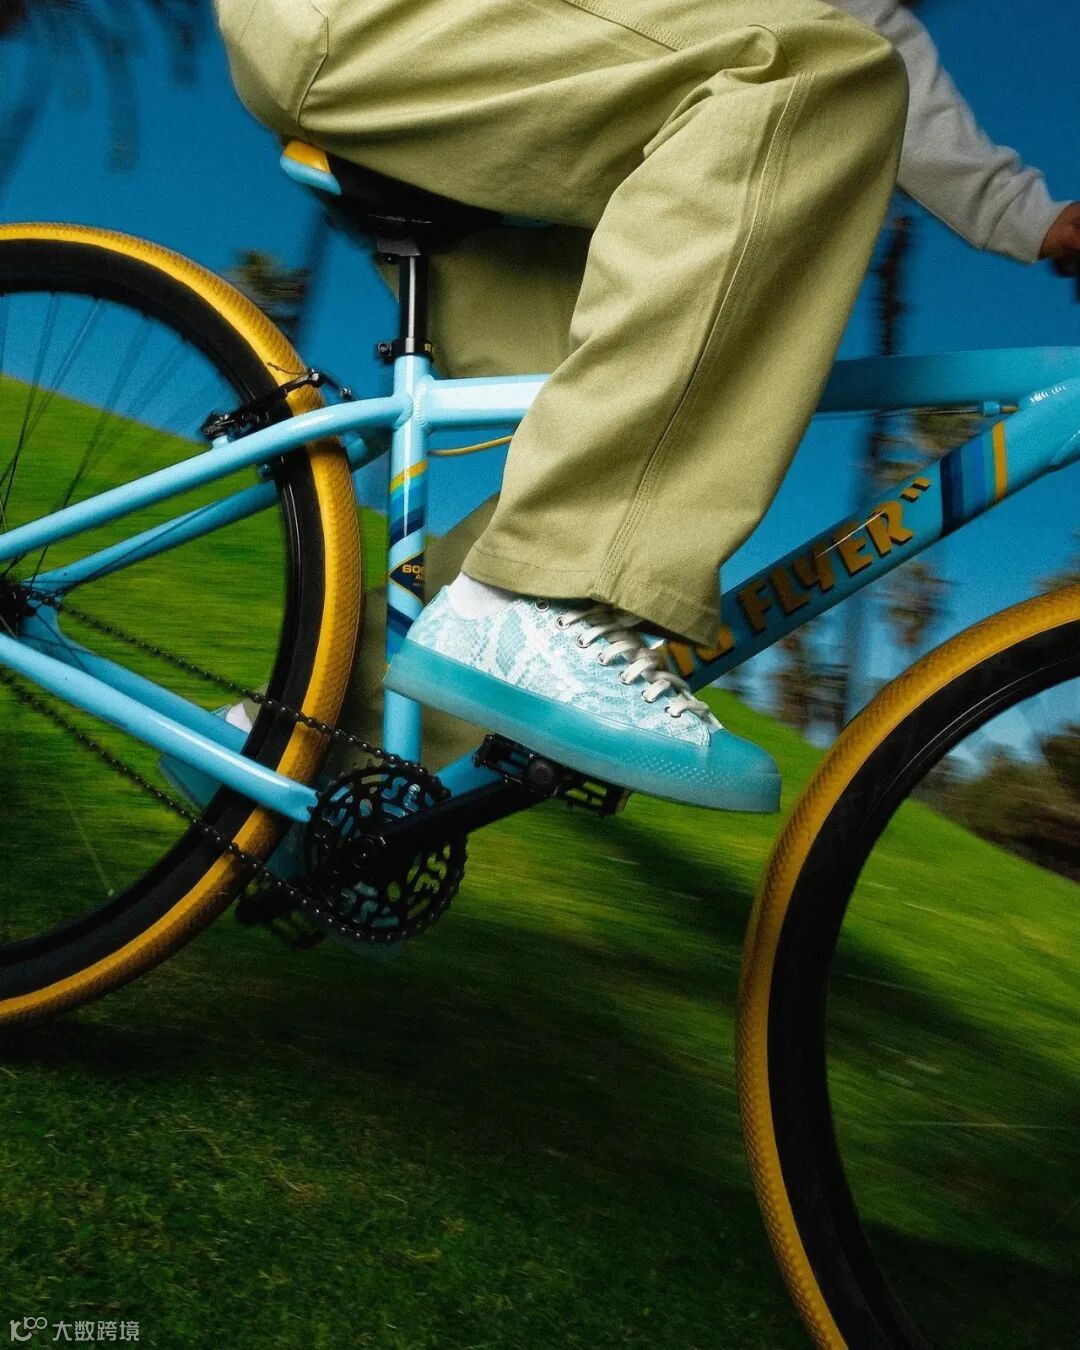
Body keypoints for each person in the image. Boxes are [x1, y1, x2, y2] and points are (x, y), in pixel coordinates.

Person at [215, 0, 1080, 810]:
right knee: (808, 72)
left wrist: (1029, 215)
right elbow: (848, 48)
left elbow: (872, 22)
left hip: (496, 92)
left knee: (611, 414)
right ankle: (529, 605)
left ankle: (290, 745)